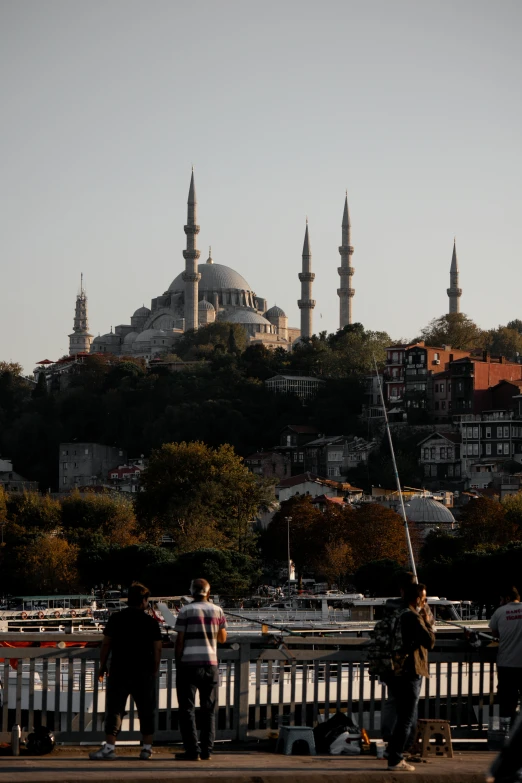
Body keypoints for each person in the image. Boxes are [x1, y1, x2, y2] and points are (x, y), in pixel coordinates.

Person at [89, 582, 162, 761]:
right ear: (144, 601)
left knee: (115, 709)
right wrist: (155, 667)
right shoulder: (151, 622)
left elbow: (106, 643)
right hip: (144, 671)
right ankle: (146, 748)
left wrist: (102, 665)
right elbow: (157, 648)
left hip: (119, 670)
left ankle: (109, 747)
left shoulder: (116, 618)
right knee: (146, 709)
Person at [174, 578, 227, 761]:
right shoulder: (217, 610)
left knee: (187, 709)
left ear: (191, 593)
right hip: (210, 665)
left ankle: (192, 750)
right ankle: (207, 750)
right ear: (208, 593)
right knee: (209, 709)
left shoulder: (185, 610)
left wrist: (178, 662)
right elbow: (222, 639)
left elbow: (179, 640)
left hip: (188, 665)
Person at [385, 582, 435, 773]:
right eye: (424, 598)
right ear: (417, 599)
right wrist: (426, 619)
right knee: (406, 718)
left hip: (395, 670)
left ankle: (394, 754)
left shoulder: (396, 614)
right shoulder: (413, 617)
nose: (425, 601)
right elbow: (430, 641)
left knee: (401, 716)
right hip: (410, 671)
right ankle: (396, 758)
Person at [489, 586, 522, 734]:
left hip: (506, 664)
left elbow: (495, 634)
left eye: (501, 599)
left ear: (507, 598)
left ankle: (504, 734)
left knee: (506, 702)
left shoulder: (500, 612)